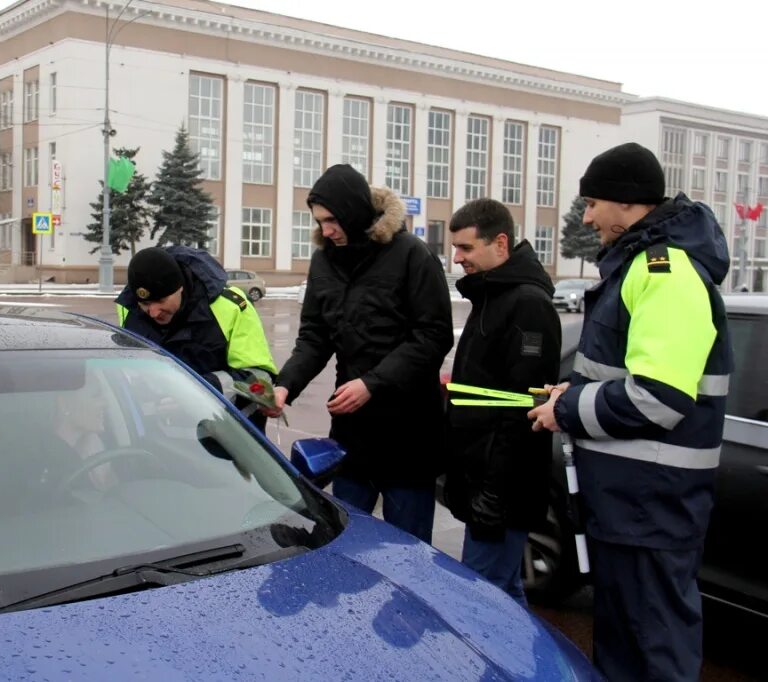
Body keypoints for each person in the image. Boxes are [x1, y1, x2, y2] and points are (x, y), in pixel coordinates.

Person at [527, 142, 732, 681]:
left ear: (626, 202)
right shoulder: (641, 265)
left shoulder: (664, 272)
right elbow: (615, 374)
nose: (587, 215)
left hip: (650, 506)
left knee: (650, 655)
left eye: (593, 202)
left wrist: (567, 409)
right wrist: (566, 391)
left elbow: (658, 397)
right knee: (624, 651)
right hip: (633, 506)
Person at [267, 164, 453, 544]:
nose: (326, 230)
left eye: (332, 219)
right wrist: (285, 385)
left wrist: (373, 383)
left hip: (409, 433)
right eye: (319, 221)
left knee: (408, 551)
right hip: (352, 434)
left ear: (354, 210)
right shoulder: (324, 262)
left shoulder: (412, 255)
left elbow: (433, 335)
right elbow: (315, 337)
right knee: (349, 541)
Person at [442, 198, 560, 607]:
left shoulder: (527, 304)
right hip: (483, 479)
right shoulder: (492, 295)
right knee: (502, 595)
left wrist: (495, 495)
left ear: (501, 243)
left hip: (502, 489)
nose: (456, 258)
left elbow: (523, 411)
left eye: (466, 248)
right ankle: (531, 670)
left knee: (479, 602)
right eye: (456, 248)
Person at [115, 245, 278, 430]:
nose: (152, 312)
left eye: (160, 301)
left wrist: (197, 391)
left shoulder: (230, 306)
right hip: (158, 436)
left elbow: (259, 379)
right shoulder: (128, 309)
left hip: (225, 436)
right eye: (145, 303)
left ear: (180, 288)